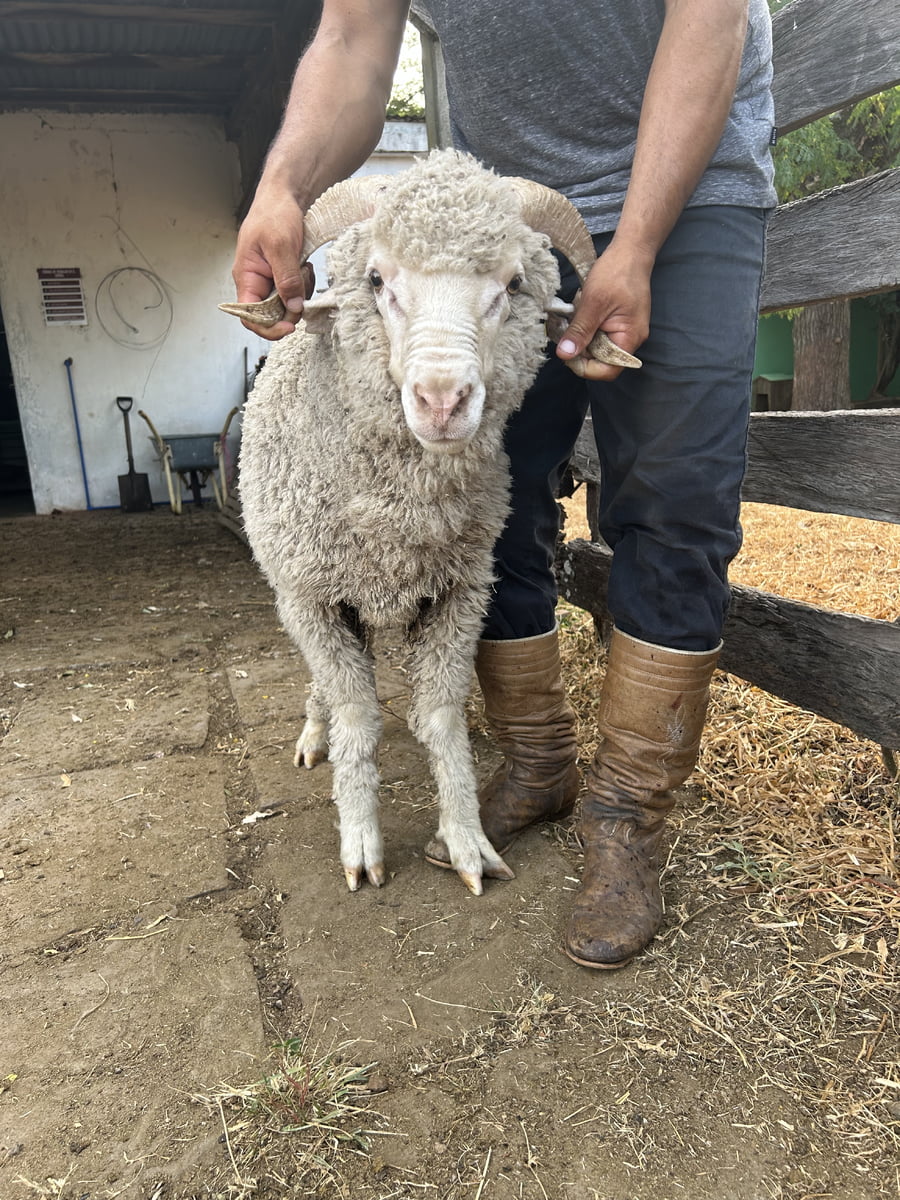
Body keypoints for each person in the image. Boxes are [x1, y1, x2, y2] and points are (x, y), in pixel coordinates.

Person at [230, 0, 777, 969]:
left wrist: (637, 244)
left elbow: (712, 10)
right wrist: (284, 185)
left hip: (684, 181)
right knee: (486, 498)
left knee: (673, 495)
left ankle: (627, 813)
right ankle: (539, 758)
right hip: (487, 221)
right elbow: (357, 36)